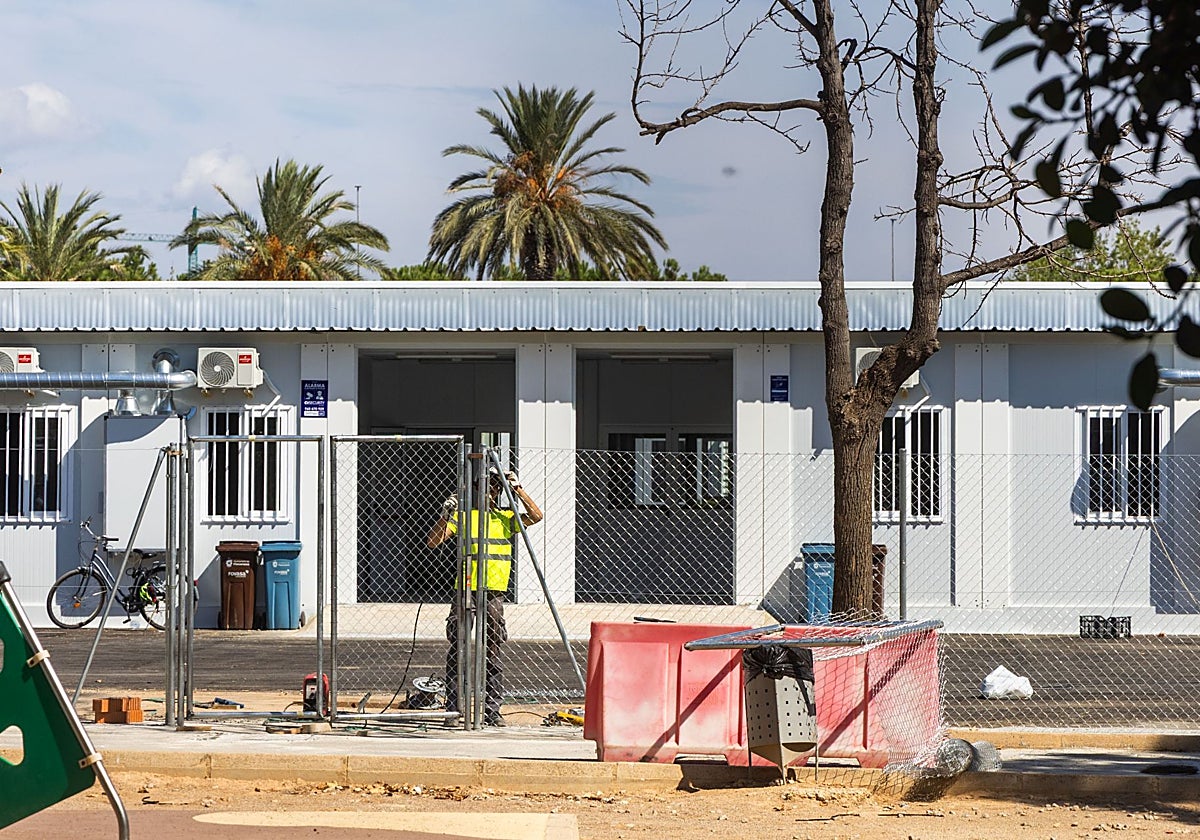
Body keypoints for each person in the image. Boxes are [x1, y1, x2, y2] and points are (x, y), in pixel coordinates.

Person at [426, 466, 542, 726]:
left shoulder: (505, 517)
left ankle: (491, 711)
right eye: (487, 488)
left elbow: (536, 516)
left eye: (495, 488)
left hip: (493, 592)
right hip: (466, 588)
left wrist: (518, 489)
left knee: (492, 650)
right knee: (459, 648)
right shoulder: (465, 517)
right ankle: (454, 710)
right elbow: (433, 541)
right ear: (477, 490)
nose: (491, 493)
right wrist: (446, 514)